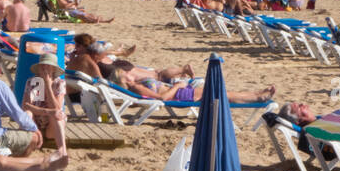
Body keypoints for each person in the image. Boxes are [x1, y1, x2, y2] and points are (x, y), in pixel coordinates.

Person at [115, 67, 275, 105]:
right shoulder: (136, 88)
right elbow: (162, 98)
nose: (130, 72)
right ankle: (257, 97)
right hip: (181, 95)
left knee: (223, 93)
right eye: (126, 73)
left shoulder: (137, 83)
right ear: (124, 79)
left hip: (182, 92)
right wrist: (178, 86)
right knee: (224, 94)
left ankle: (256, 94)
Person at [22, 56, 67, 155]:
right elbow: (26, 106)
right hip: (36, 122)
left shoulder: (60, 83)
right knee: (27, 113)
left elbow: (56, 108)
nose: (45, 68)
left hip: (51, 125)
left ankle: (63, 150)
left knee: (57, 115)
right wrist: (45, 111)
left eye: (48, 66)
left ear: (53, 68)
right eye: (43, 65)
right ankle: (27, 144)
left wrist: (47, 84)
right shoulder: (32, 81)